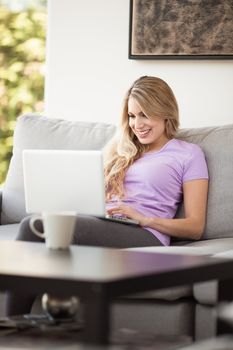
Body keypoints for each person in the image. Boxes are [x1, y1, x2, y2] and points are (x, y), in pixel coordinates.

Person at [5, 76, 209, 316]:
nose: (137, 124)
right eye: (132, 116)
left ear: (165, 112)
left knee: (35, 226)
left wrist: (143, 218)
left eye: (144, 114)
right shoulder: (120, 149)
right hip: (105, 221)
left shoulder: (189, 154)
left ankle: (9, 325)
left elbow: (195, 227)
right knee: (46, 229)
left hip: (146, 233)